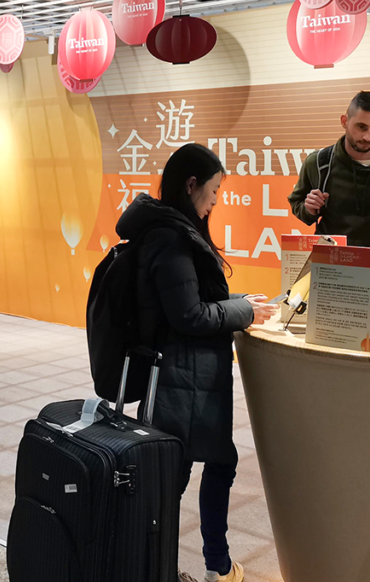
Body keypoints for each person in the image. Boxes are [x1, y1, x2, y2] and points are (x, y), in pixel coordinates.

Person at [115, 143, 278, 582]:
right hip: (180, 376)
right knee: (176, 479)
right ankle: (185, 568)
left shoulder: (171, 228)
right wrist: (243, 312)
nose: (215, 201)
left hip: (188, 374)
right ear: (191, 186)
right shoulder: (171, 237)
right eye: (214, 191)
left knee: (201, 468)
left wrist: (240, 301)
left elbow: (191, 300)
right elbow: (189, 316)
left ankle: (208, 566)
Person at [288, 91, 370, 247]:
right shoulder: (318, 162)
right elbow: (298, 204)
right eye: (362, 127)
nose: (368, 137)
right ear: (344, 121)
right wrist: (309, 208)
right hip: (333, 262)